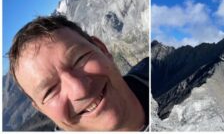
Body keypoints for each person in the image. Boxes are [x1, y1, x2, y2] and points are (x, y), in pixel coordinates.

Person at [8, 15, 149, 131]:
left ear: (102, 49)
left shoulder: (164, 70)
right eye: (50, 91)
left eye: (79, 59)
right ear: (41, 110)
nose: (80, 90)